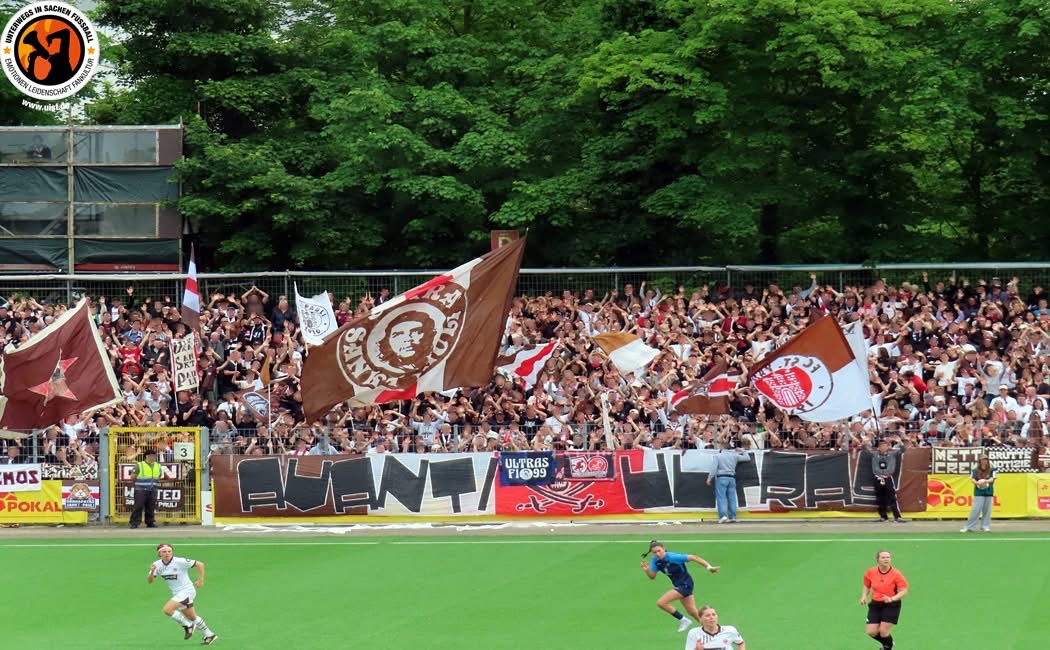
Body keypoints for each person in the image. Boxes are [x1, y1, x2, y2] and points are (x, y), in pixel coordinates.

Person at [639, 540, 720, 633]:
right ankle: (711, 631)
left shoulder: (673, 557)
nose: (657, 554)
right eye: (654, 552)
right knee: (693, 612)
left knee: (661, 603)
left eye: (659, 551)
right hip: (678, 585)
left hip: (685, 584)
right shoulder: (655, 561)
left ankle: (683, 620)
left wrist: (709, 567)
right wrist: (647, 570)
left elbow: (694, 557)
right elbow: (652, 576)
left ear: (664, 549)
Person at [148, 543, 218, 645]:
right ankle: (210, 635)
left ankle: (188, 626)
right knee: (192, 616)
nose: (167, 553)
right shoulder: (157, 565)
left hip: (187, 591)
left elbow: (200, 564)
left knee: (167, 610)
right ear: (159, 554)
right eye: (164, 552)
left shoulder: (179, 561)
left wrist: (200, 580)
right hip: (177, 593)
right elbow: (150, 580)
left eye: (169, 551)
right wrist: (152, 571)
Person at [860, 550, 908, 650]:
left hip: (891, 605)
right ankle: (889, 644)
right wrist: (864, 596)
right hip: (876, 604)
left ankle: (888, 647)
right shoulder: (871, 572)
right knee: (871, 631)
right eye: (883, 557)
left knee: (883, 631)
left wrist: (892, 598)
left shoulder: (896, 574)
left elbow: (904, 591)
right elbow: (867, 585)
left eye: (888, 557)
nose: (886, 559)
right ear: (878, 560)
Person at [706, 437, 750, 523]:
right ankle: (733, 516)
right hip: (731, 478)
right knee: (732, 498)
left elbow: (713, 469)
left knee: (721, 497)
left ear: (722, 447)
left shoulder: (718, 456)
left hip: (721, 477)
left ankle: (723, 516)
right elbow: (747, 458)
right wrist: (742, 450)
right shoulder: (734, 456)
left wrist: (709, 478)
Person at [871, 438, 905, 523]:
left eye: (884, 446)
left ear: (888, 447)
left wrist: (900, 442)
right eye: (881, 446)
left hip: (888, 477)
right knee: (880, 498)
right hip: (878, 477)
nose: (882, 447)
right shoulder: (875, 455)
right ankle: (883, 516)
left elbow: (903, 450)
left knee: (892, 497)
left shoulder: (892, 454)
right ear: (878, 447)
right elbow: (865, 450)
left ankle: (897, 517)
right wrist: (865, 440)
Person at [961, 456, 996, 532]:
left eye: (986, 460)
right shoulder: (975, 470)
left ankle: (985, 526)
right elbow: (972, 479)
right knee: (975, 510)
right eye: (982, 460)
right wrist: (977, 483)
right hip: (979, 492)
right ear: (980, 461)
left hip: (989, 491)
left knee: (987, 510)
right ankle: (969, 527)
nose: (984, 461)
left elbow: (992, 479)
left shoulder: (992, 470)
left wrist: (985, 482)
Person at [129, 448, 162, 529]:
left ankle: (150, 522)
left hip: (153, 489)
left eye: (154, 456)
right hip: (141, 489)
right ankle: (134, 522)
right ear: (147, 456)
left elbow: (159, 475)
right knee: (138, 506)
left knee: (151, 506)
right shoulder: (140, 465)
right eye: (152, 455)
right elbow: (133, 476)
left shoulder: (158, 465)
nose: (153, 457)